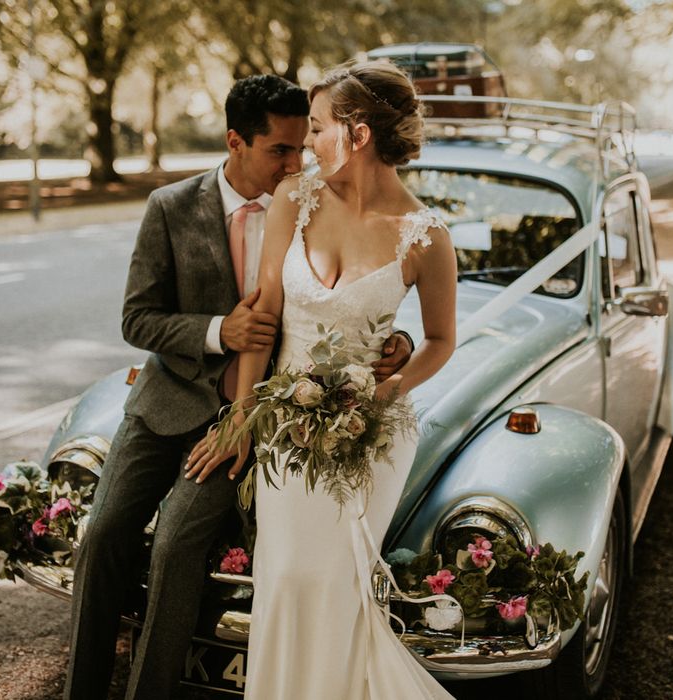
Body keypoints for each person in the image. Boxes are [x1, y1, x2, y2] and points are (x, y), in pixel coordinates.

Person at [64, 73, 414, 700]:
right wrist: (216, 330)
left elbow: (356, 289)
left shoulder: (312, 200)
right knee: (104, 533)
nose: (296, 160)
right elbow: (136, 319)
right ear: (235, 142)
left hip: (253, 413)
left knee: (175, 546)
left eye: (301, 145)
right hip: (166, 400)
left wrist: (398, 344)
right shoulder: (170, 207)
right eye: (280, 150)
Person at [215, 61, 458, 699]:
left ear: (357, 135)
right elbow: (264, 313)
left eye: (318, 128)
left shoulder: (425, 235)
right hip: (285, 424)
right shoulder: (296, 199)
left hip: (369, 431)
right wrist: (242, 416)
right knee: (287, 575)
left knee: (333, 581)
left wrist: (388, 391)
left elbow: (439, 341)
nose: (305, 145)